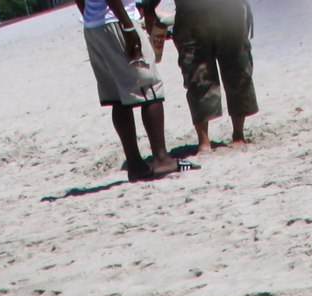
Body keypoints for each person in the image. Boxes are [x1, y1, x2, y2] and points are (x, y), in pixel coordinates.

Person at [80, 0, 177, 183]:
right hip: (116, 20)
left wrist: (91, 16)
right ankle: (161, 158)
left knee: (118, 98)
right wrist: (127, 26)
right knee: (150, 88)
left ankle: (135, 165)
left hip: (93, 26)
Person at [145, 0, 256, 150]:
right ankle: (205, 140)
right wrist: (148, 8)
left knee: (236, 71)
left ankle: (238, 135)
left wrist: (148, 9)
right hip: (193, 13)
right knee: (197, 75)